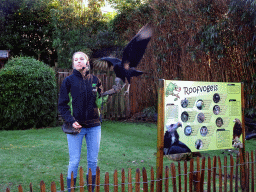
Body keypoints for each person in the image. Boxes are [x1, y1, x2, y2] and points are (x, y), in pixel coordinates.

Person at [58, 51, 103, 192]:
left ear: (87, 62)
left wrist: (106, 95)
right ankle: (71, 189)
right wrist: (71, 121)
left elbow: (100, 102)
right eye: (75, 59)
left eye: (81, 59)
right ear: (73, 63)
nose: (78, 61)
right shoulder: (68, 81)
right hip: (76, 127)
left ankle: (91, 189)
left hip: (94, 126)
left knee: (93, 160)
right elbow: (62, 105)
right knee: (74, 161)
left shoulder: (95, 80)